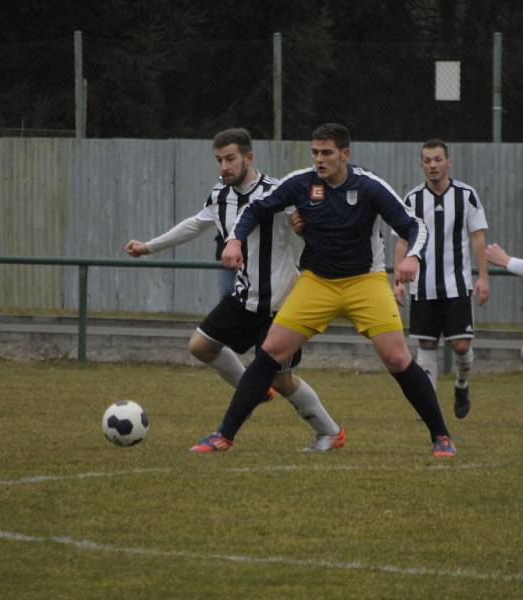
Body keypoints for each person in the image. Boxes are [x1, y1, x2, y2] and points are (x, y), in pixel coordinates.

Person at [197, 122, 456, 457]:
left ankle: (442, 437)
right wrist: (234, 240)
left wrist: (413, 257)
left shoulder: (369, 186)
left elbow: (414, 225)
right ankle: (224, 436)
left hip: (365, 281)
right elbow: (256, 208)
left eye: (327, 153)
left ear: (345, 154)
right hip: (317, 282)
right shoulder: (300, 183)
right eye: (315, 152)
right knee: (272, 351)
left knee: (396, 357)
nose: (319, 159)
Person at [125, 127, 344, 453]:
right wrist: (148, 246)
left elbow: (306, 224)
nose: (224, 166)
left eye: (230, 159)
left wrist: (303, 227)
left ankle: (330, 432)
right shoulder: (219, 195)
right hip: (244, 298)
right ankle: (252, 387)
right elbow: (194, 224)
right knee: (200, 346)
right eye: (219, 160)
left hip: (280, 305)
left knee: (282, 380)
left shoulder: (276, 191)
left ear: (248, 157)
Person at [393, 139, 489, 420]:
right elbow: (402, 241)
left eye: (438, 159)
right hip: (423, 287)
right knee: (426, 347)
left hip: (457, 284)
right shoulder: (412, 199)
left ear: (448, 162)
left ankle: (461, 384)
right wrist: (398, 281)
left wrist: (483, 278)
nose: (433, 165)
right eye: (427, 160)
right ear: (421, 164)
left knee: (461, 345)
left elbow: (478, 238)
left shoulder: (466, 195)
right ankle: (431, 410)